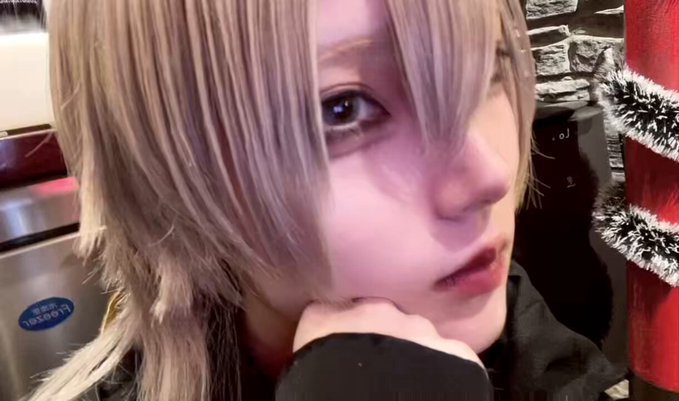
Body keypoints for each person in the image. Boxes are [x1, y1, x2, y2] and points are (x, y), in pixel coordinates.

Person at [29, 0, 625, 400]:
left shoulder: (552, 366)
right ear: (166, 173)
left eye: (489, 69)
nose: (490, 175)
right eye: (342, 109)